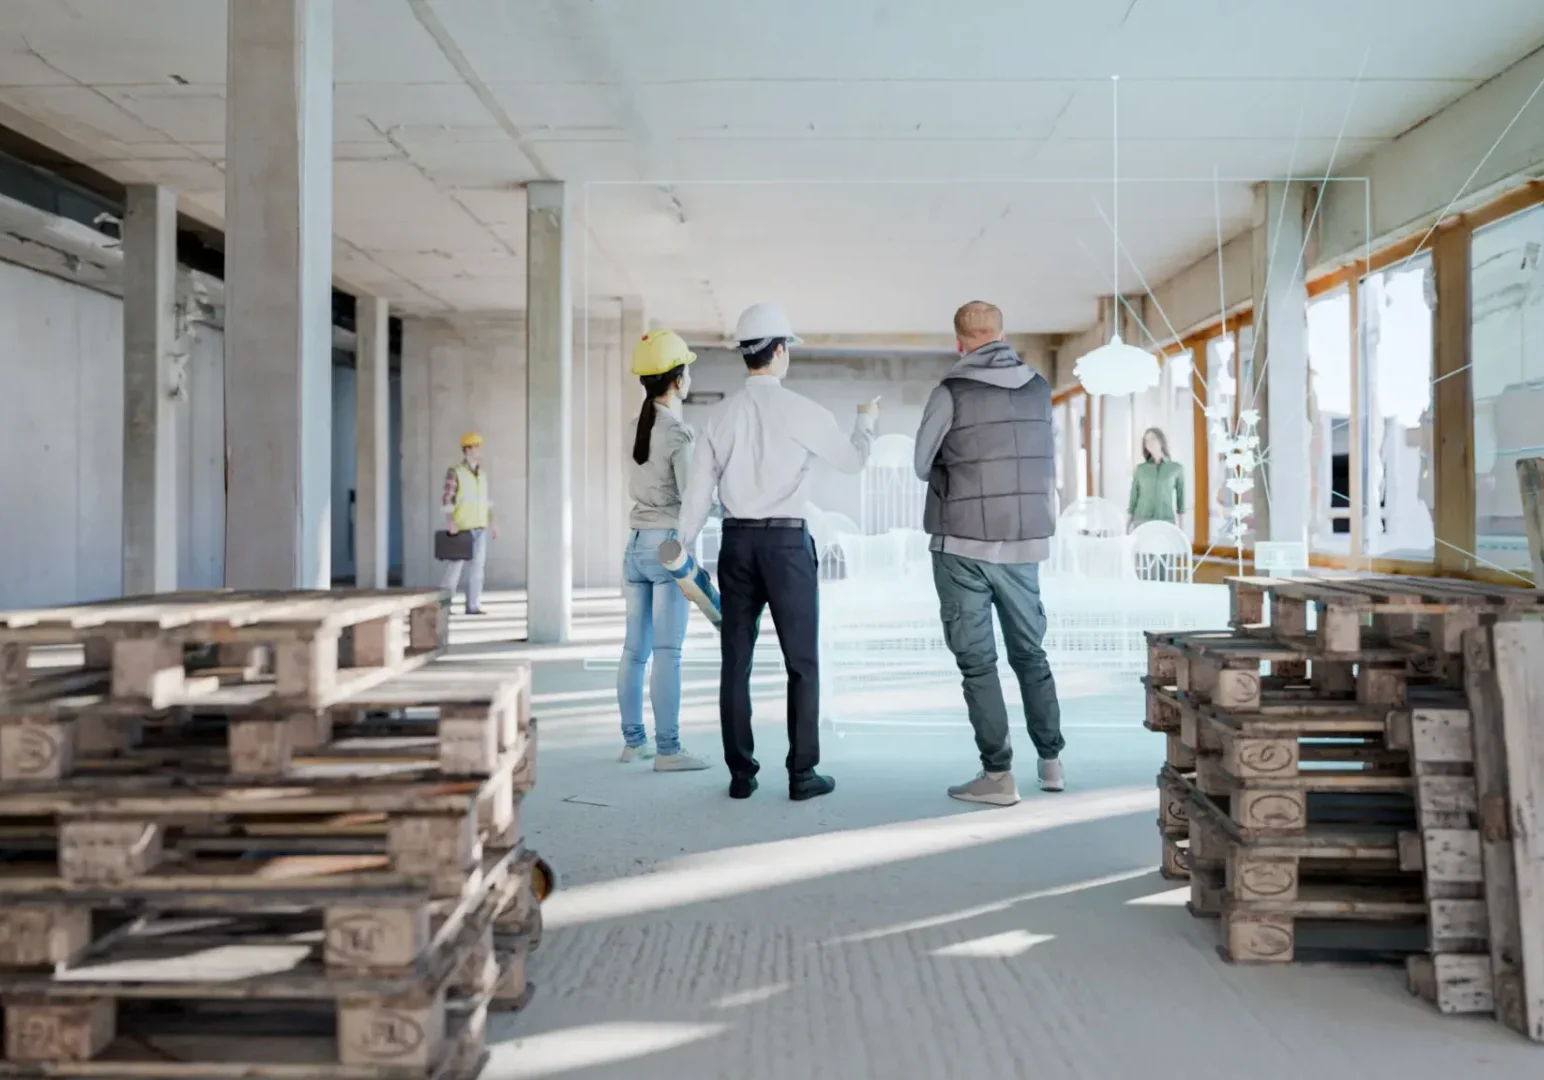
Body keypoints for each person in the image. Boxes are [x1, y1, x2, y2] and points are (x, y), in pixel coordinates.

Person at [679, 302, 879, 801]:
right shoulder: (805, 412)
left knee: (736, 661)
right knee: (801, 663)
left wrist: (680, 551)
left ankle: (741, 775)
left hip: (737, 544)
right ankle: (801, 774)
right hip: (787, 545)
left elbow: (698, 496)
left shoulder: (718, 417)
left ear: (746, 355)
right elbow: (853, 462)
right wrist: (866, 422)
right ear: (781, 351)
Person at [915, 301, 1063, 806]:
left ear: (959, 341)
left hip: (961, 544)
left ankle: (998, 775)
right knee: (1031, 653)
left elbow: (920, 464)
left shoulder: (950, 391)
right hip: (1025, 542)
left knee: (978, 663)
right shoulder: (1040, 387)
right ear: (1001, 334)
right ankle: (1052, 762)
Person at [617, 330, 710, 773]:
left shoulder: (635, 428)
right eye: (686, 370)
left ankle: (634, 743)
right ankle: (669, 750)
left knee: (635, 651)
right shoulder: (677, 432)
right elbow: (693, 499)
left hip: (634, 546)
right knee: (668, 652)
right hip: (666, 547)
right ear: (676, 380)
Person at [441, 432, 497, 614]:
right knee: (454, 570)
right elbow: (447, 499)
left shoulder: (482, 475)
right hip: (462, 528)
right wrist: (451, 522)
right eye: (476, 446)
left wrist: (493, 523)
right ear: (467, 449)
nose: (480, 449)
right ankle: (444, 607)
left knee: (477, 569)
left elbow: (485, 501)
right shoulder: (455, 472)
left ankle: (473, 606)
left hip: (480, 527)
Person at [1127, 427, 1186, 532]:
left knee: (1164, 548)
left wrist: (1182, 529)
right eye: (1146, 440)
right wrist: (1127, 526)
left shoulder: (1176, 468)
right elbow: (1133, 498)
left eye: (1153, 438)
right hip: (1141, 520)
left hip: (1166, 521)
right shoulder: (1140, 469)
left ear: (1161, 440)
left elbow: (1181, 500)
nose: (1149, 442)